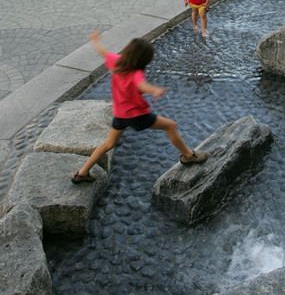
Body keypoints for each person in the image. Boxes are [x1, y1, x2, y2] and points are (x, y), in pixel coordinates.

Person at [71, 31, 209, 184]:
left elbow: (103, 52)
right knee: (171, 126)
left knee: (109, 144)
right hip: (137, 115)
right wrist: (154, 90)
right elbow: (140, 85)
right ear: (144, 60)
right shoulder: (136, 73)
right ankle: (188, 156)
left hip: (120, 114)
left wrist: (95, 40)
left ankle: (82, 173)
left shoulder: (116, 61)